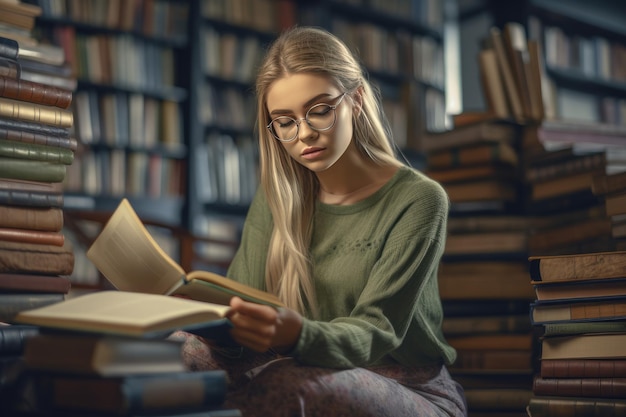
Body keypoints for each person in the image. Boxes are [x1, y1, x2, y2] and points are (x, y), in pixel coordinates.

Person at [175, 26, 467, 417]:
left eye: (320, 110)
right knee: (171, 350)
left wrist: (298, 335)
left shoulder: (419, 199)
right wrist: (210, 323)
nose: (305, 133)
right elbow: (241, 306)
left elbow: (375, 330)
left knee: (283, 384)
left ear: (357, 100)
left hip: (406, 383)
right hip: (291, 363)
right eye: (285, 121)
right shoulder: (276, 198)